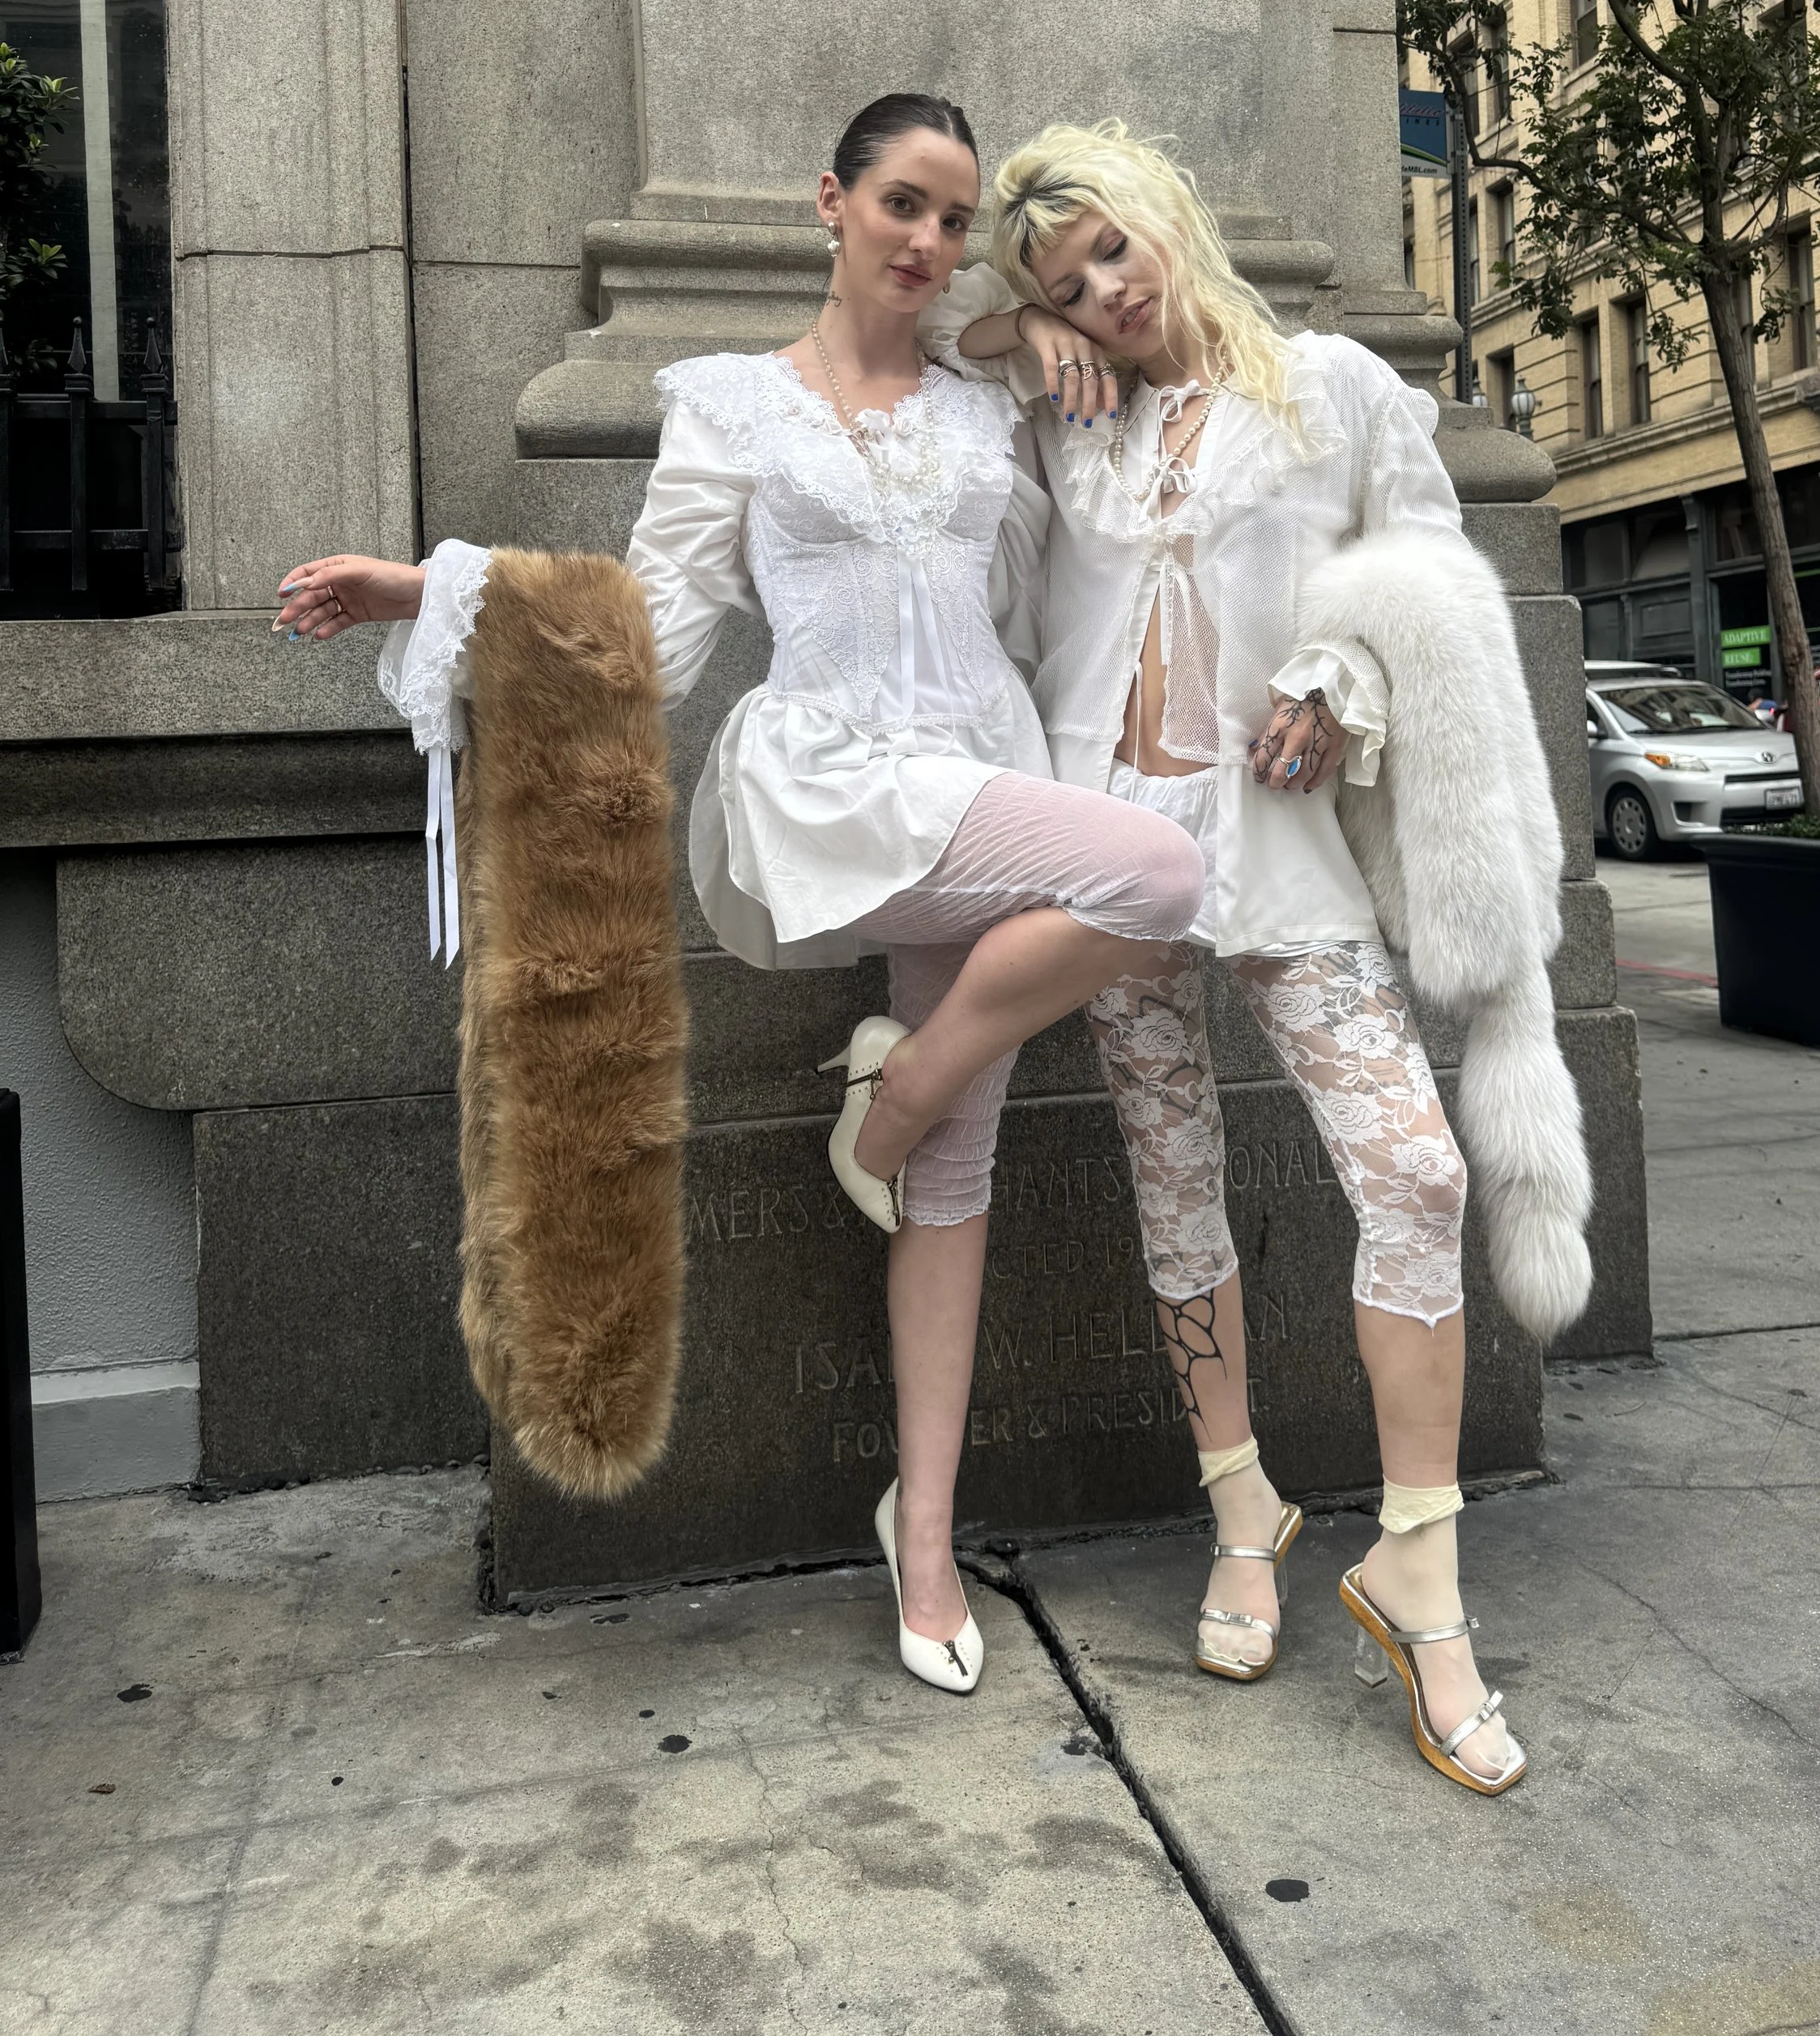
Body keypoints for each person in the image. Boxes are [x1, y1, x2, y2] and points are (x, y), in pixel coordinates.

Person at [271, 92, 1205, 1698]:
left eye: (950, 217)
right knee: (1159, 871)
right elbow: (654, 624)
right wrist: (437, 589)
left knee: (955, 1177)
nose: (924, 239)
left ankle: (920, 1535)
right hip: (840, 785)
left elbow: (1106, 409)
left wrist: (1040, 338)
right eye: (900, 203)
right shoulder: (728, 408)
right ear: (827, 205)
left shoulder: (991, 396)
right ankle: (892, 1095)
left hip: (979, 769)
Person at [915, 119, 1591, 1795]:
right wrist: (1020, 328)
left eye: (1111, 255)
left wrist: (1339, 679)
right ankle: (1243, 1505)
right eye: (1069, 275)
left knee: (1415, 1172)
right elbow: (911, 329)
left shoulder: (1338, 387)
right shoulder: (1061, 408)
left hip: (1281, 851)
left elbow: (1429, 572)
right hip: (1108, 858)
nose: (1105, 292)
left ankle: (1414, 1562)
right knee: (1170, 1176)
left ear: (1168, 218)